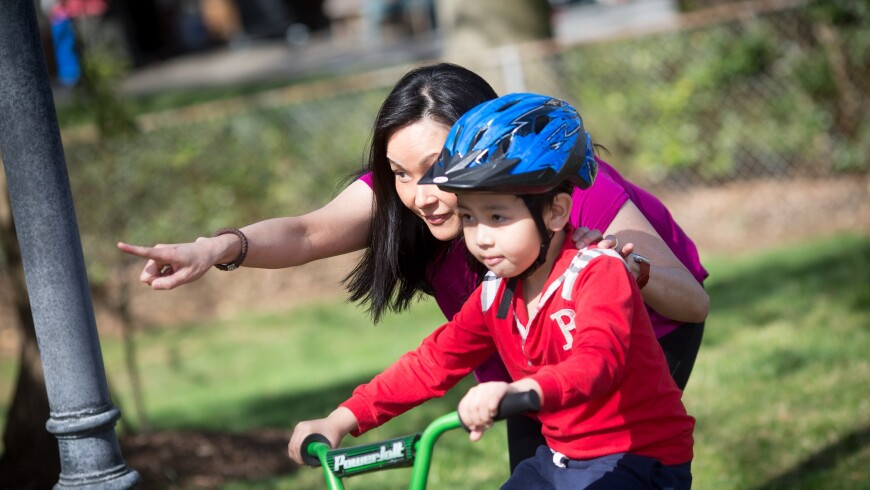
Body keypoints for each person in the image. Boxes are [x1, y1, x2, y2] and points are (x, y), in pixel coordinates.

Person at [117, 62, 708, 470]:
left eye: (431, 168)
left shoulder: (563, 189)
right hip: (527, 343)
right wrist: (214, 248)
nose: (418, 193)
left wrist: (629, 275)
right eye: (399, 173)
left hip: (635, 337)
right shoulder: (481, 274)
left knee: (602, 462)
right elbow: (305, 233)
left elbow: (691, 302)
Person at [287, 94, 694, 489]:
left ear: (555, 212)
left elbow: (597, 361)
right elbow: (432, 363)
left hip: (640, 461)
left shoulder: (598, 272)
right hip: (561, 458)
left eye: (497, 216)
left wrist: (522, 390)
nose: (480, 238)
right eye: (468, 217)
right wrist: (343, 418)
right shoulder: (494, 294)